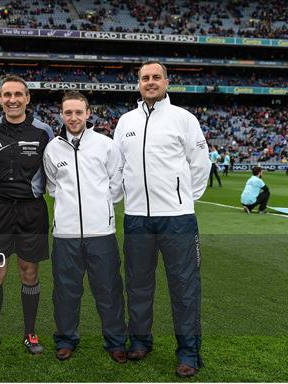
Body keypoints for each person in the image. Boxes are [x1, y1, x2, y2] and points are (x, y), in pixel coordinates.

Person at [111, 61, 211, 377]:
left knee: (184, 287)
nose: (150, 82)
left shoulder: (184, 119)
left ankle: (189, 352)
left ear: (167, 81)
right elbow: (117, 166)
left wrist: (183, 200)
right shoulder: (125, 121)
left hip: (177, 219)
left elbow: (200, 164)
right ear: (138, 84)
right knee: (138, 285)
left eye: (156, 77)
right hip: (137, 217)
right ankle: (140, 341)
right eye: (145, 78)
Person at [43, 91, 127, 362]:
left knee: (108, 290)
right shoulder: (52, 148)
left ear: (88, 113)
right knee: (66, 292)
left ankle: (115, 341)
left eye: (78, 112)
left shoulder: (105, 145)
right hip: (65, 234)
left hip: (101, 232)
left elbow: (116, 183)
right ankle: (66, 339)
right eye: (68, 112)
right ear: (61, 114)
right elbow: (53, 187)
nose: (73, 117)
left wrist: (100, 207)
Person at [0, 75, 54, 356]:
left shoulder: (43, 130)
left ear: (27, 98)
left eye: (18, 94)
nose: (12, 100)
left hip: (31, 210)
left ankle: (30, 332)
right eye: (6, 94)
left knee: (29, 271)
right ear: (0, 99)